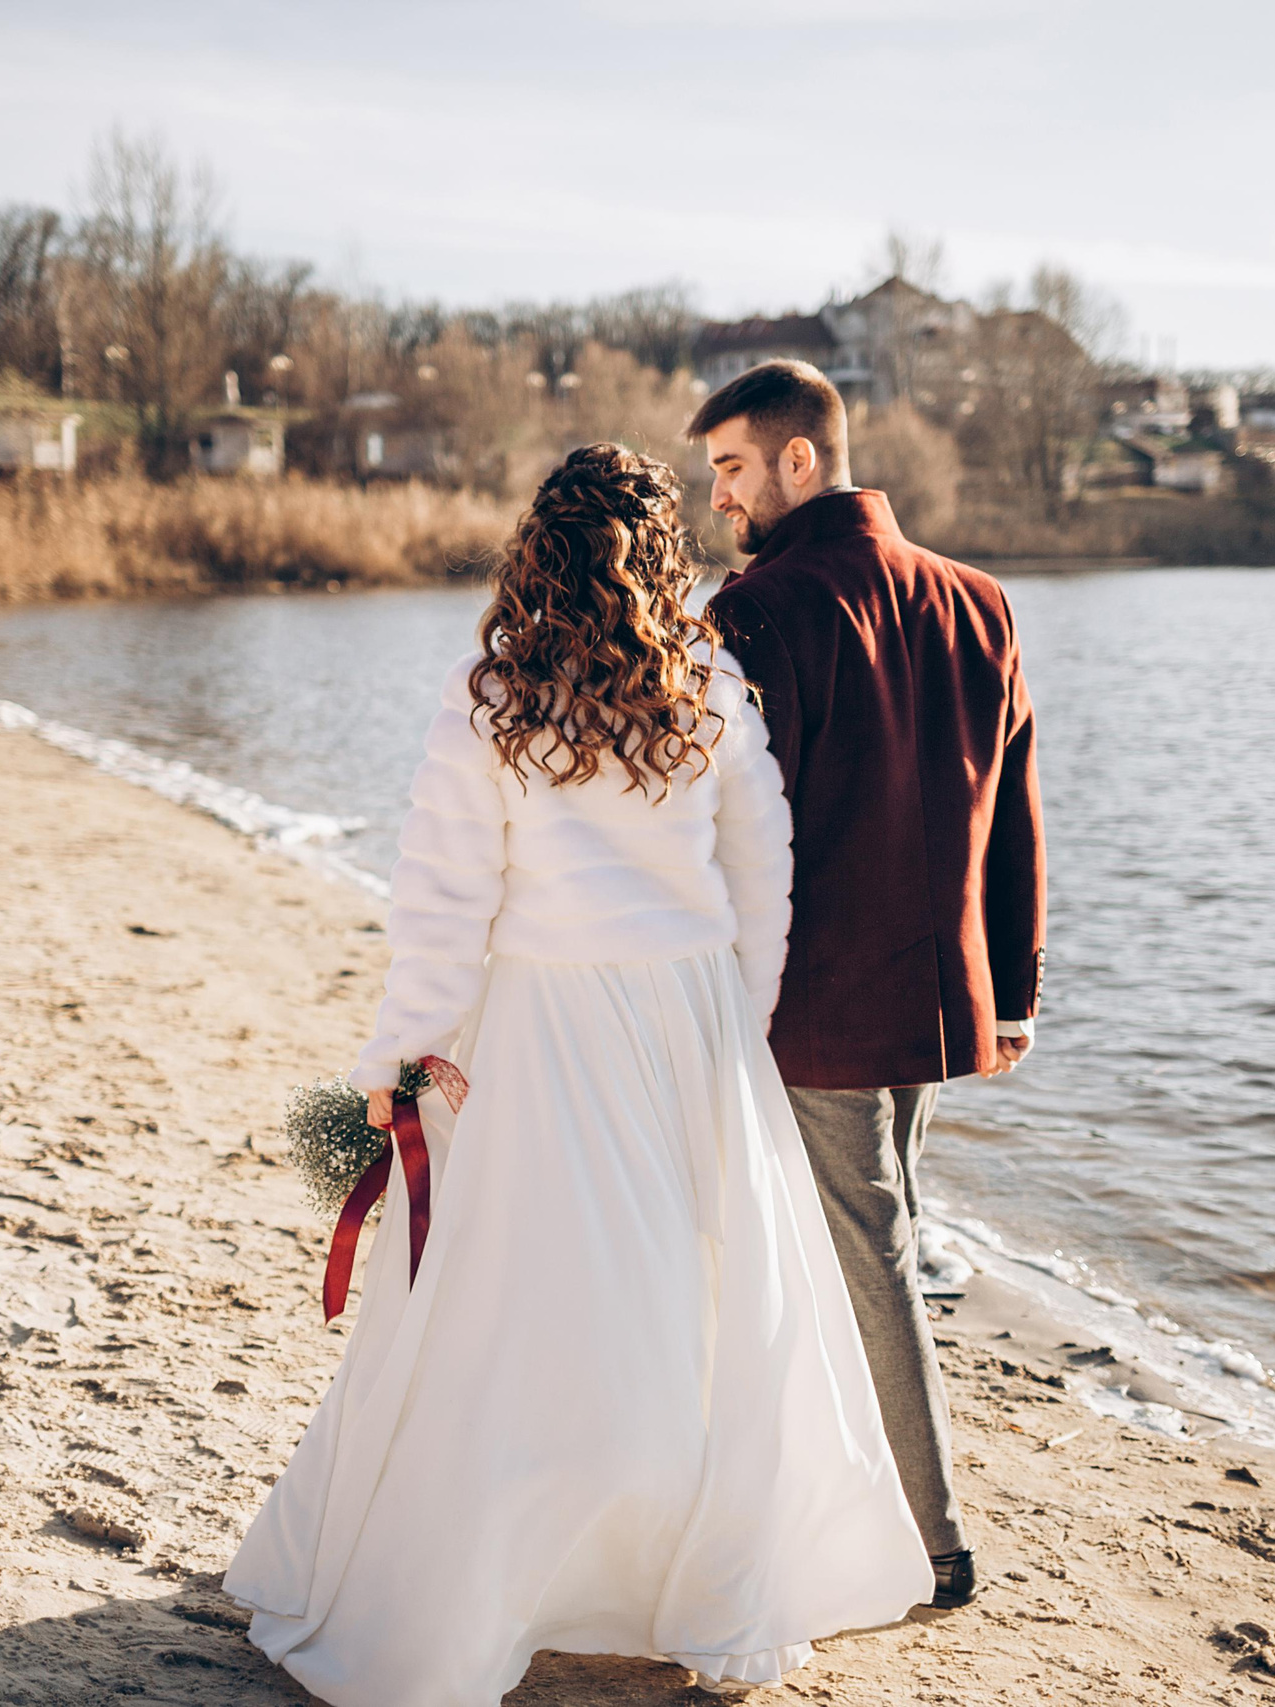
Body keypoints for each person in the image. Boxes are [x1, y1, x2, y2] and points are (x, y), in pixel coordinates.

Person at [226, 443, 930, 1705]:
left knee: (523, 1307)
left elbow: (443, 906)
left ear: (533, 550)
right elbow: (761, 880)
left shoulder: (488, 694)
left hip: (542, 1022)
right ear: (663, 556)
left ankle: (507, 1576)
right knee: (693, 1304)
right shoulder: (710, 685)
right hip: (690, 1020)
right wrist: (737, 1026)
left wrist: (401, 1064)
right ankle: (660, 1575)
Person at [690, 360, 1048, 1611]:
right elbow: (1017, 816)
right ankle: (854, 1496)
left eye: (731, 467)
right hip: (936, 997)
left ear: (801, 459)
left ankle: (934, 1543)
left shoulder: (761, 613)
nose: (720, 498)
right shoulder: (979, 599)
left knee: (869, 1253)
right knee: (874, 1240)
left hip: (815, 1004)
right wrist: (1014, 988)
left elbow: (728, 831)